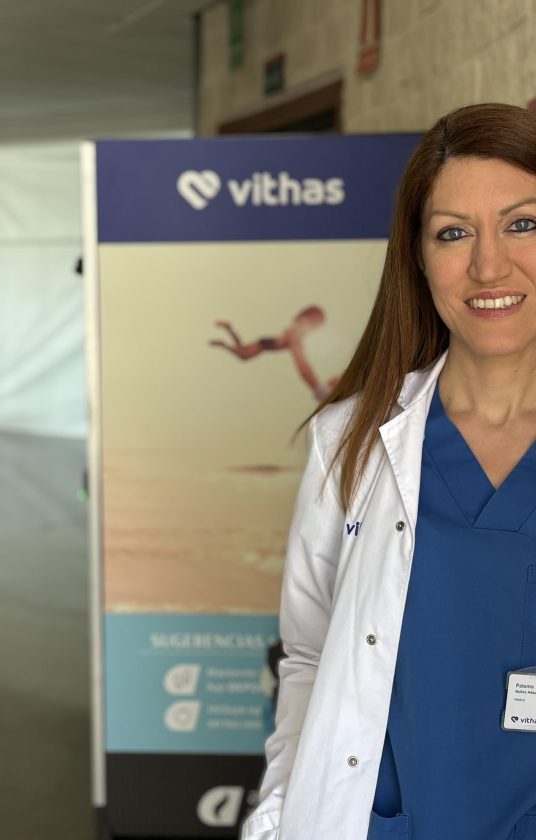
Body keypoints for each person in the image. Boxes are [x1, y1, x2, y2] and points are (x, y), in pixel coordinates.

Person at [241, 102, 536, 840]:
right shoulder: (351, 441)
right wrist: (277, 812)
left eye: (522, 224)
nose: (489, 266)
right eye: (453, 233)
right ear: (418, 256)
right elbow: (308, 654)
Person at [210, 306, 339, 401]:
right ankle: (227, 335)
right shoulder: (297, 334)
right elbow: (304, 369)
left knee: (243, 352)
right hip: (269, 344)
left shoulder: (296, 332)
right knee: (243, 354)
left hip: (267, 344)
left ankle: (228, 331)